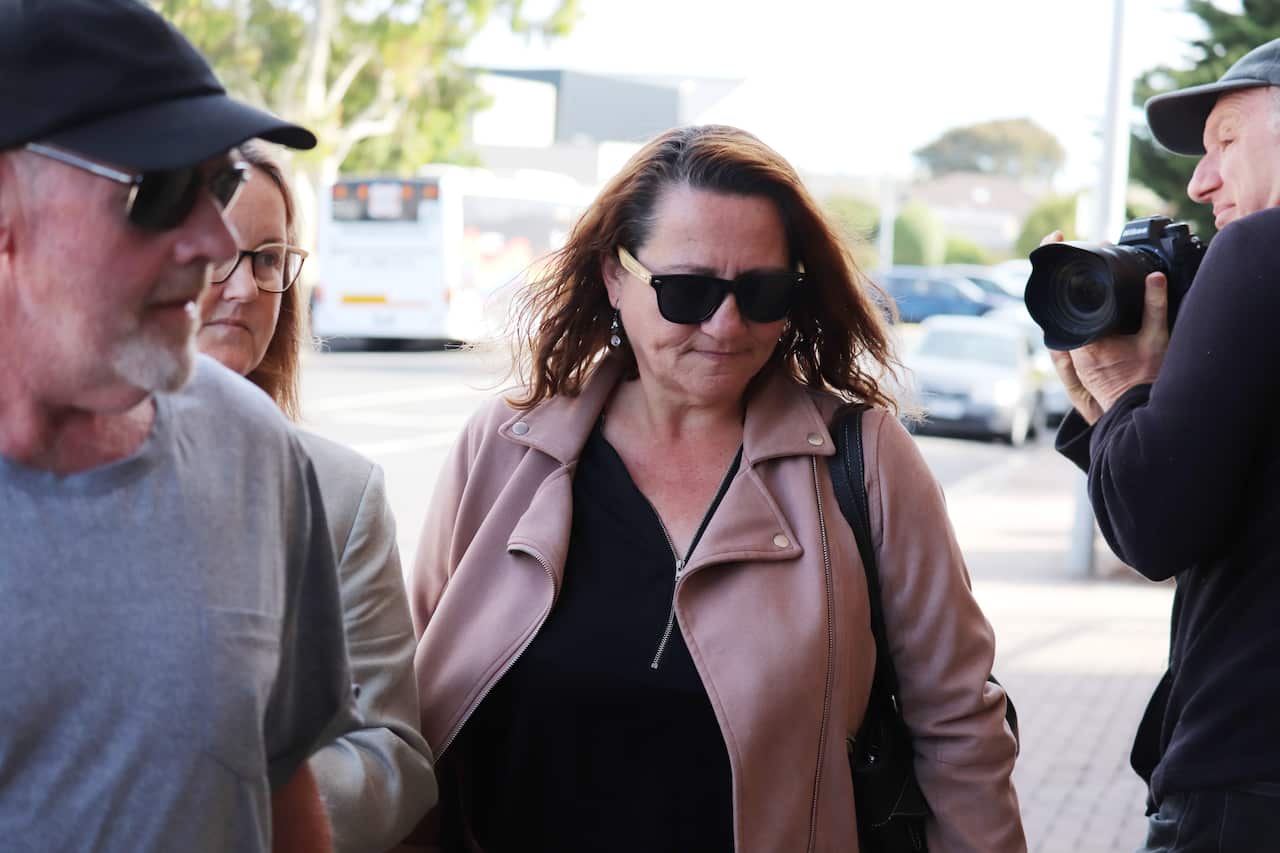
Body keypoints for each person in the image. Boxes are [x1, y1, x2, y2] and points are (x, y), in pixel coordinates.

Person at [408, 124, 1025, 852]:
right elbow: (409, 709)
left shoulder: (867, 461)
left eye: (762, 291)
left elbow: (959, 727)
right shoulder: (503, 451)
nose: (727, 324)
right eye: (688, 290)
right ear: (615, 275)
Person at [0, 1, 355, 850]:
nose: (212, 238)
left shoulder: (249, 445)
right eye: (157, 191)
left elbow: (279, 775)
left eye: (220, 182)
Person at [1049, 38, 1280, 851]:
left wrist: (1119, 392)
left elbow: (1156, 528)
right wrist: (1128, 415)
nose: (1199, 181)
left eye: (1227, 142)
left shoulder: (1260, 250)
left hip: (1246, 783)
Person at [196, 141, 438, 852]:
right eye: (216, 255)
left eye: (268, 259)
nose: (243, 288)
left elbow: (394, 758)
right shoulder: (46, 461)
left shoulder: (340, 492)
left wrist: (236, 797)